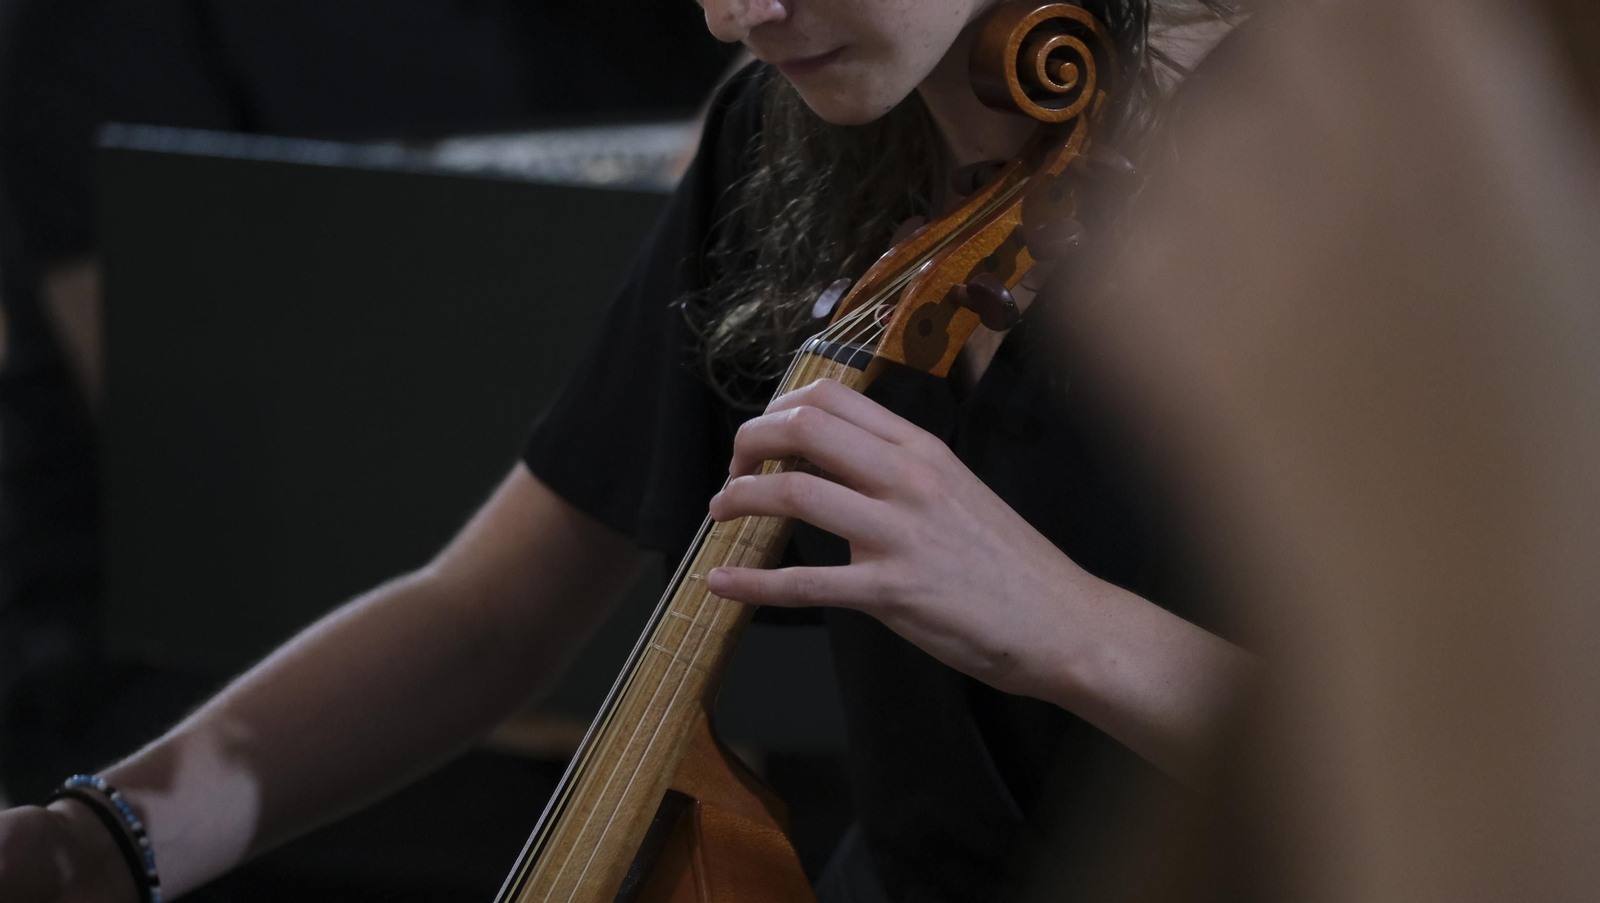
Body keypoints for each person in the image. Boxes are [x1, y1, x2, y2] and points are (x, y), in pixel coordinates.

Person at [0, 1, 1254, 901]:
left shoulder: (1309, 163)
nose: (734, 14)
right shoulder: (784, 139)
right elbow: (485, 618)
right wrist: (94, 842)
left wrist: (1074, 630)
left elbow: (1392, 754)